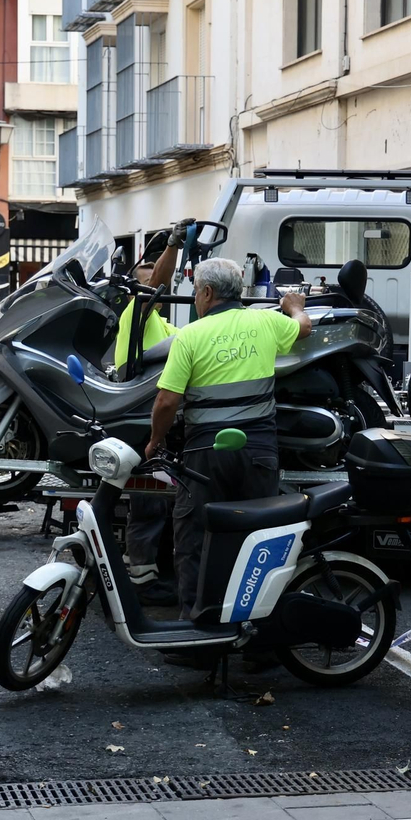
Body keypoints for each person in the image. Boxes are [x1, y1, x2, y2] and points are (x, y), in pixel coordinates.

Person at [145, 257, 312, 660]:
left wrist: (153, 443)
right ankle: (260, 646)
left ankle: (196, 640)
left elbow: (167, 401)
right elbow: (304, 327)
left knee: (195, 539)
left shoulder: (191, 336)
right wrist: (293, 305)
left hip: (205, 457)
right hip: (257, 452)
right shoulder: (266, 324)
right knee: (260, 541)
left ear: (205, 293)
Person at [116, 220, 188, 607]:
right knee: (150, 496)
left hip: (153, 415)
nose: (162, 284)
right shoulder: (136, 310)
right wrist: (172, 246)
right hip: (142, 417)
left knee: (158, 495)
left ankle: (143, 567)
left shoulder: (161, 322)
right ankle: (141, 578)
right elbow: (155, 284)